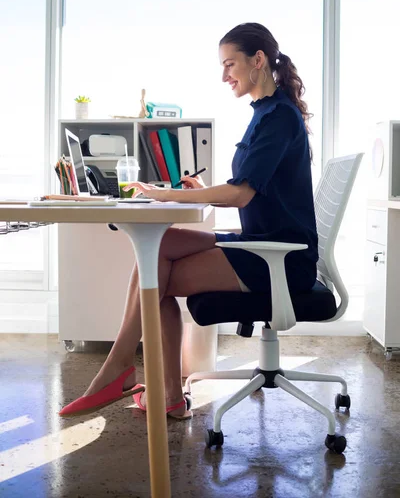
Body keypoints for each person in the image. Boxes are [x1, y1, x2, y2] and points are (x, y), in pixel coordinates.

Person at [59, 22, 318, 419]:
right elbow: (250, 188)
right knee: (157, 250)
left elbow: (241, 194)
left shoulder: (278, 117)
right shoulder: (265, 112)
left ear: (258, 60)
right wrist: (202, 187)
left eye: (230, 64)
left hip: (280, 260)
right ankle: (143, 381)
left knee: (155, 279)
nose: (224, 75)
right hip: (262, 243)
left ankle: (124, 373)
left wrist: (171, 193)